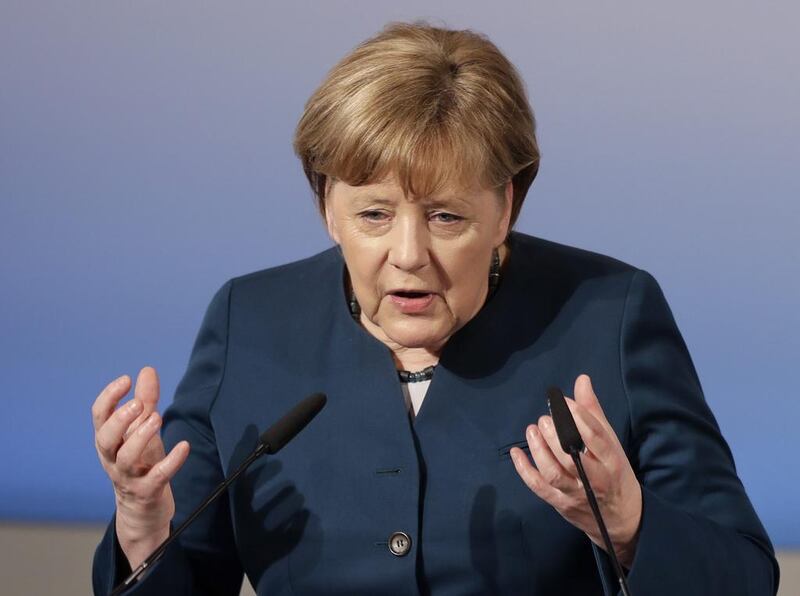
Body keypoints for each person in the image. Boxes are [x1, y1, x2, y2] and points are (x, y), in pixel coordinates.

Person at [92, 22, 778, 595]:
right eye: (374, 214)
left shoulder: (610, 316)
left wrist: (629, 522)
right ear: (327, 205)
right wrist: (142, 521)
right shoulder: (250, 321)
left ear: (507, 204)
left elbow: (744, 574)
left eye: (447, 217)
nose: (409, 252)